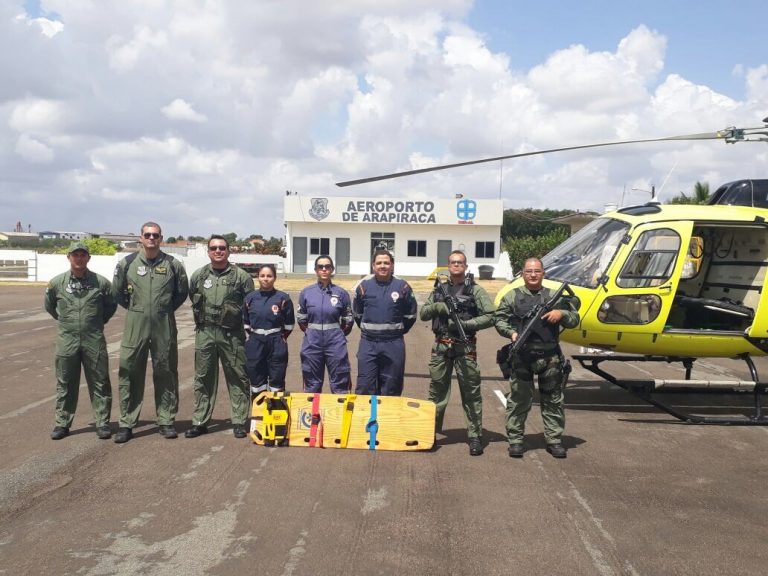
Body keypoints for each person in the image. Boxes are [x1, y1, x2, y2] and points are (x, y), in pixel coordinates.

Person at [494, 257, 579, 459]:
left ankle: (554, 440)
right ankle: (515, 440)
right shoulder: (512, 296)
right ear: (523, 273)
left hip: (550, 357)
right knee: (518, 399)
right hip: (522, 356)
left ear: (543, 273)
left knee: (553, 400)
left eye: (537, 271)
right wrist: (512, 333)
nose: (533, 275)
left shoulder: (554, 296)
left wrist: (561, 313)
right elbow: (499, 319)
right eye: (529, 271)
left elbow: (575, 318)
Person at [112, 222, 189, 443]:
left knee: (165, 370)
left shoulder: (173, 264)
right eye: (148, 235)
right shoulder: (127, 263)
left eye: (156, 235)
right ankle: (126, 423)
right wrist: (138, 309)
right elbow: (118, 292)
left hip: (164, 324)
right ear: (141, 237)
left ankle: (166, 420)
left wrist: (162, 309)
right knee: (129, 371)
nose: (152, 238)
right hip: (135, 323)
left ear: (161, 238)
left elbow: (181, 292)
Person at [419, 250, 494, 456]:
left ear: (466, 266)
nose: (456, 265)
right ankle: (431, 433)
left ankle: (474, 436)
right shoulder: (439, 290)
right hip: (441, 346)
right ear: (448, 265)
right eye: (453, 262)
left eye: (460, 262)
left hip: (465, 346)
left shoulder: (476, 291)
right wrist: (440, 307)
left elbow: (491, 316)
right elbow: (423, 314)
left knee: (471, 393)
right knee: (437, 393)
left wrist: (467, 324)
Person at [44, 242, 117, 440]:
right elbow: (50, 306)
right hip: (67, 340)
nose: (79, 258)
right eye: (75, 254)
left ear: (88, 258)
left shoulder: (100, 283)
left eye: (82, 254)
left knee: (100, 382)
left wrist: (98, 322)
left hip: (93, 339)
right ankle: (62, 423)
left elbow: (110, 306)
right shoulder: (57, 283)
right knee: (65, 382)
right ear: (68, 257)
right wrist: (66, 322)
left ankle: (102, 423)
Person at [186, 235, 255, 439]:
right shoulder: (199, 275)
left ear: (228, 251)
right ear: (208, 251)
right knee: (203, 377)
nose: (218, 251)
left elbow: (250, 303)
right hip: (205, 332)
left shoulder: (241, 276)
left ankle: (239, 420)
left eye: (222, 248)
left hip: (231, 334)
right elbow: (193, 296)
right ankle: (200, 421)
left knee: (237, 376)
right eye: (214, 248)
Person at [353, 248, 417, 396]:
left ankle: (388, 419)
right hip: (368, 343)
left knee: (391, 387)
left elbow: (410, 315)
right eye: (379, 263)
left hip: (393, 344)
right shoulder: (363, 287)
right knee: (365, 386)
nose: (383, 266)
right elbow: (358, 314)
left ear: (392, 265)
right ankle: (367, 419)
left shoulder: (403, 287)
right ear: (373, 266)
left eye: (386, 263)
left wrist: (396, 331)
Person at [296, 255, 354, 394]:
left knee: (340, 382)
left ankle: (340, 415)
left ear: (332, 269)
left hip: (335, 342)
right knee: (312, 384)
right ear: (315, 270)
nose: (324, 269)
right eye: (320, 267)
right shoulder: (306, 293)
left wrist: (338, 334)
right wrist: (311, 333)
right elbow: (301, 319)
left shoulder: (341, 293)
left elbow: (348, 320)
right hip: (312, 343)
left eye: (327, 267)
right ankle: (314, 415)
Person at [243, 264, 294, 395]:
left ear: (275, 278)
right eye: (262, 276)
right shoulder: (250, 298)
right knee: (256, 377)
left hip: (276, 341)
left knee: (277, 377)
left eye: (269, 276)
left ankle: (276, 413)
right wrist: (256, 336)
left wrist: (279, 338)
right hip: (255, 342)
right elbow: (246, 323)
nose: (266, 279)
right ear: (258, 278)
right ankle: (259, 413)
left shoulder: (283, 298)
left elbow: (289, 325)